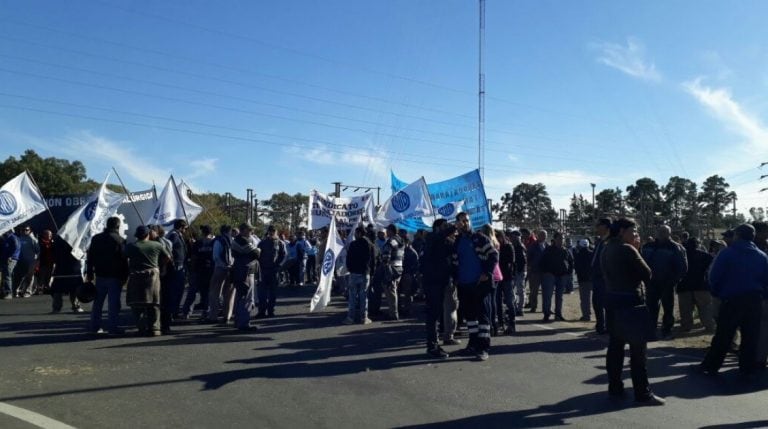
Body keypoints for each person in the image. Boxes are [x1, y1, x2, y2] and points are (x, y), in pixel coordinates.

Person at [601, 218, 665, 406]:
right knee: (638, 351)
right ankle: (643, 393)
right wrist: (637, 249)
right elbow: (647, 274)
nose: (636, 234)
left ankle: (615, 388)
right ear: (622, 231)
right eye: (633, 230)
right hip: (631, 302)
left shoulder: (606, 248)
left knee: (615, 348)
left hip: (612, 300)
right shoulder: (627, 249)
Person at [695, 224, 768, 375]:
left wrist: (716, 293)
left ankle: (711, 366)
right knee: (750, 337)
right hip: (754, 300)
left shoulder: (727, 253)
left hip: (732, 299)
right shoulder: (761, 256)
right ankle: (747, 369)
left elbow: (714, 276)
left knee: (724, 335)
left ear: (738, 236)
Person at [452, 212, 499, 361]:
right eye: (460, 221)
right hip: (464, 284)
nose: (464, 223)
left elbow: (493, 255)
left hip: (480, 284)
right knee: (470, 316)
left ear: (470, 222)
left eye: (466, 220)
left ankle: (483, 348)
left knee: (483, 316)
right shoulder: (457, 241)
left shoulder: (479, 238)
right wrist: (455, 278)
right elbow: (454, 261)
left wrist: (486, 273)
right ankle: (472, 343)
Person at [642, 225, 688, 339]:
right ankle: (650, 331)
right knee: (651, 307)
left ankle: (667, 330)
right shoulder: (648, 246)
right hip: (651, 283)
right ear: (656, 232)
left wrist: (674, 280)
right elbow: (642, 262)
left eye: (664, 232)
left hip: (667, 283)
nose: (662, 234)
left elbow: (683, 267)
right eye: (660, 231)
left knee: (668, 308)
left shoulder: (676, 248)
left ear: (669, 233)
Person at [86, 216, 129, 335]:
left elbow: (90, 257)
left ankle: (95, 326)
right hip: (115, 276)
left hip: (100, 274)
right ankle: (113, 328)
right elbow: (123, 260)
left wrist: (89, 272)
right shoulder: (120, 240)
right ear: (118, 226)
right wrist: (125, 275)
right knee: (113, 304)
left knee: (97, 303)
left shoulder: (96, 238)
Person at [125, 226, 170, 336]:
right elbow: (168, 257)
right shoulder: (157, 245)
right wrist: (162, 267)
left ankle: (141, 327)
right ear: (148, 234)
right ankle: (155, 328)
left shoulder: (131, 246)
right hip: (152, 275)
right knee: (154, 303)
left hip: (135, 275)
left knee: (136, 304)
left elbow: (123, 257)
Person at [422, 219, 457, 359]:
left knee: (437, 314)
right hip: (432, 282)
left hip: (442, 281)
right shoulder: (432, 237)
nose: (447, 229)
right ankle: (432, 346)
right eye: (444, 226)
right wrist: (454, 227)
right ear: (437, 228)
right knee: (433, 315)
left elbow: (453, 250)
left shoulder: (445, 241)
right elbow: (438, 237)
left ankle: (434, 344)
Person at [677, 237, 715, 333]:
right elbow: (712, 267)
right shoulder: (705, 255)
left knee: (686, 310)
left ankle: (686, 327)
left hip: (684, 286)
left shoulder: (681, 255)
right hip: (701, 286)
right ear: (698, 244)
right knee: (705, 309)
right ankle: (709, 327)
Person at [231, 223, 260, 330]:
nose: (251, 232)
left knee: (241, 297)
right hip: (244, 271)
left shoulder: (240, 240)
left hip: (242, 270)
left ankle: (239, 321)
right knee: (246, 298)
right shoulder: (241, 241)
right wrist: (258, 250)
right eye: (249, 230)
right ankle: (243, 323)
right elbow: (256, 253)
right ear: (243, 230)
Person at [539, 232, 573, 322]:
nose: (561, 240)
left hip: (562, 276)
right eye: (559, 238)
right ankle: (547, 313)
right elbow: (542, 261)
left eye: (562, 238)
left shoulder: (565, 250)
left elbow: (571, 262)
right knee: (548, 295)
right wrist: (545, 272)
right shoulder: (548, 250)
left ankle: (558, 314)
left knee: (559, 297)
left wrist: (568, 272)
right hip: (550, 275)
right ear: (555, 239)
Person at [344, 226, 375, 325]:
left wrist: (350, 269)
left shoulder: (353, 245)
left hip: (354, 273)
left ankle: (350, 318)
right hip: (365, 273)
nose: (354, 235)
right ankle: (364, 317)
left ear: (359, 233)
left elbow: (348, 259)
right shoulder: (370, 245)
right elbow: (373, 260)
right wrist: (371, 272)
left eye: (356, 233)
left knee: (352, 296)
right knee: (364, 297)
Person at [182, 225, 215, 319]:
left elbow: (194, 257)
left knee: (192, 291)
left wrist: (191, 269)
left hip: (198, 270)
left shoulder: (198, 243)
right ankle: (206, 312)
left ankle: (186, 312)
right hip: (209, 270)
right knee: (207, 292)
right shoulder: (213, 243)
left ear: (202, 232)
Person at [257, 225, 286, 318]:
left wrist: (279, 266)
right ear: (268, 232)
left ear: (276, 232)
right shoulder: (262, 243)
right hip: (263, 270)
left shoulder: (280, 243)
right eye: (270, 231)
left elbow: (284, 256)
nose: (271, 232)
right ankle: (261, 311)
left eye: (273, 231)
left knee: (272, 293)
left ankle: (270, 311)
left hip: (274, 271)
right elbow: (257, 256)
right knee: (262, 293)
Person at [207, 225, 233, 324]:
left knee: (215, 293)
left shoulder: (219, 241)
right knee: (229, 294)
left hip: (220, 268)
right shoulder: (232, 241)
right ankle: (227, 316)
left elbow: (216, 256)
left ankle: (213, 316)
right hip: (231, 270)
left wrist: (223, 265)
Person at [50, 239, 85, 314]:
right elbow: (81, 255)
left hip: (63, 269)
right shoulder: (76, 241)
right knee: (72, 290)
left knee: (59, 290)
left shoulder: (58, 241)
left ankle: (57, 308)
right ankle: (75, 306)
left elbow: (53, 255)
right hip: (70, 269)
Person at [165, 219, 189, 320]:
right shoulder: (174, 236)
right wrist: (172, 261)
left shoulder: (178, 235)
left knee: (179, 290)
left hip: (181, 265)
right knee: (175, 290)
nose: (185, 230)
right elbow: (169, 248)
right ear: (181, 227)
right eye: (185, 228)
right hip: (176, 266)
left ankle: (174, 312)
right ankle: (171, 312)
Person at [591, 218, 612, 334]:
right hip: (597, 278)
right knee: (597, 303)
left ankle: (608, 326)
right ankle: (600, 325)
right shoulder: (600, 241)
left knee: (607, 304)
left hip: (605, 278)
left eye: (598, 225)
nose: (597, 228)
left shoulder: (611, 241)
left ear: (605, 227)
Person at [381, 224, 405, 320]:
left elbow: (386, 254)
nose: (386, 232)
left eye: (387, 230)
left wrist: (384, 262)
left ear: (391, 231)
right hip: (399, 267)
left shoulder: (392, 241)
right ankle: (393, 311)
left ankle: (393, 313)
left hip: (392, 268)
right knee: (394, 290)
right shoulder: (401, 240)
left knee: (391, 291)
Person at [497, 230, 516, 334]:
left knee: (509, 301)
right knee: (498, 302)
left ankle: (512, 323)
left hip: (507, 277)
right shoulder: (495, 246)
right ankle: (500, 323)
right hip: (497, 278)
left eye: (499, 237)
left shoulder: (508, 246)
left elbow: (510, 262)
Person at [15, 225, 39, 297]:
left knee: (30, 276)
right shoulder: (19, 238)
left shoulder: (33, 239)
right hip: (21, 260)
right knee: (20, 276)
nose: (24, 231)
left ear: (30, 231)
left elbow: (38, 251)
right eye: (22, 230)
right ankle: (19, 290)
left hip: (31, 261)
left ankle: (28, 291)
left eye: (26, 230)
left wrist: (36, 261)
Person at [526, 230, 547, 313]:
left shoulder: (547, 245)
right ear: (538, 236)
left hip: (545, 272)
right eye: (542, 235)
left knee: (546, 291)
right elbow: (528, 257)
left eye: (545, 235)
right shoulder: (533, 245)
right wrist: (530, 267)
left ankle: (546, 308)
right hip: (535, 271)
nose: (544, 237)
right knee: (534, 291)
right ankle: (533, 306)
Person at [573, 238, 594, 322]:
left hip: (583, 279)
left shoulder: (578, 255)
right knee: (597, 298)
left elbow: (576, 267)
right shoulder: (592, 254)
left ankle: (586, 315)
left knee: (585, 299)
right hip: (592, 278)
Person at [509, 230, 527, 316]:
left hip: (519, 271)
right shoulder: (513, 246)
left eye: (513, 237)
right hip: (514, 271)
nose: (511, 238)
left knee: (520, 290)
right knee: (513, 291)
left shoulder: (520, 247)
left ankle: (520, 308)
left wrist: (518, 269)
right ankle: (515, 307)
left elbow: (523, 261)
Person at [1, 229, 20, 299]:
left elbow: (16, 248)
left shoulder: (13, 237)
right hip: (4, 259)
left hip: (11, 259)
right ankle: (4, 291)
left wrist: (11, 256)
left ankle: (9, 293)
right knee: (4, 275)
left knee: (7, 274)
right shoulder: (4, 238)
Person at [36, 230, 55, 295]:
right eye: (48, 235)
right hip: (43, 263)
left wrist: (53, 244)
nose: (49, 236)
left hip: (51, 263)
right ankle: (39, 289)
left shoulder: (52, 243)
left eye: (50, 235)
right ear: (44, 235)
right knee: (42, 276)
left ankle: (47, 288)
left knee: (49, 276)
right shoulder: (40, 242)